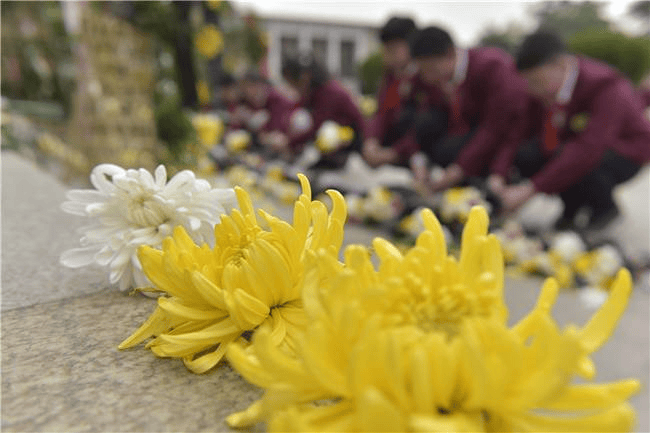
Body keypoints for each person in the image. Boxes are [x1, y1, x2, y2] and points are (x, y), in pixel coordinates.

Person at [499, 31, 650, 230]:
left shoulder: (607, 85)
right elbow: (518, 131)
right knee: (530, 154)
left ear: (559, 64)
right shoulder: (541, 90)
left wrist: (530, 190)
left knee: (579, 160)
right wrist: (498, 174)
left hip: (625, 152)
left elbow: (590, 148)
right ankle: (571, 209)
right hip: (576, 144)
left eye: (535, 81)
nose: (531, 90)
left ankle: (603, 211)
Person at [406, 26, 529, 192]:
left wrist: (458, 170)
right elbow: (422, 124)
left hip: (506, 139)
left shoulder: (492, 67)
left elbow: (495, 128)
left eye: (431, 70)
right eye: (423, 72)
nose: (427, 78)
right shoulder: (436, 80)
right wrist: (418, 162)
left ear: (450, 54)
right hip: (466, 139)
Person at [280, 54, 366, 168]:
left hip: (351, 149)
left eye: (292, 83)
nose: (292, 88)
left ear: (305, 77)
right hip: (333, 146)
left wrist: (289, 143)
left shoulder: (330, 93)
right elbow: (293, 110)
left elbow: (317, 127)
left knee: (327, 130)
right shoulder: (314, 92)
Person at [362, 16, 418, 168]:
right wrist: (371, 140)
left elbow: (423, 128)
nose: (387, 55)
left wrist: (394, 153)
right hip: (389, 149)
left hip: (413, 153)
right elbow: (381, 113)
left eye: (393, 49)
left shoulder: (424, 78)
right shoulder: (390, 78)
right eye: (386, 49)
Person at [239, 69, 294, 152]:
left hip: (285, 137)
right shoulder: (247, 102)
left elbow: (280, 125)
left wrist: (265, 135)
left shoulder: (274, 98)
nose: (246, 91)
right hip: (264, 141)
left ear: (257, 85)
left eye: (248, 87)